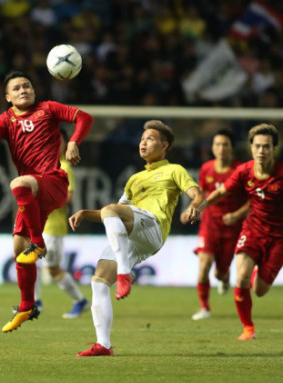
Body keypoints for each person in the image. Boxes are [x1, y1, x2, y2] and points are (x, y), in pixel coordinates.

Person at [69, 120, 204, 356]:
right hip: (132, 237)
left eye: (150, 138)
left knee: (111, 210)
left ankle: (124, 273)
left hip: (152, 225)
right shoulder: (135, 179)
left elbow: (197, 193)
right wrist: (85, 214)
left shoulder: (174, 170)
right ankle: (104, 344)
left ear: (164, 145)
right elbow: (114, 215)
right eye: (142, 138)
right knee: (98, 281)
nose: (143, 142)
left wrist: (194, 204)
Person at [0, 70, 93, 333]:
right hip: (32, 194)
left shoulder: (48, 109)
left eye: (27, 86)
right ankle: (27, 306)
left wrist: (74, 142)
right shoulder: (6, 119)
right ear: (7, 97)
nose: (23, 90)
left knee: (19, 183)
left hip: (53, 182)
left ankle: (38, 242)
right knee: (19, 252)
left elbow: (84, 118)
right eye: (17, 88)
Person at [201, 123, 283, 340]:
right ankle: (248, 328)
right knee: (241, 279)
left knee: (259, 290)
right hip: (253, 229)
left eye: (266, 147)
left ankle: (259, 275)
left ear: (273, 149)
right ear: (250, 148)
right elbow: (221, 192)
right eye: (257, 146)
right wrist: (199, 206)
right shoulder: (244, 171)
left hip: (278, 237)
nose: (261, 151)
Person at [187, 129, 249, 321]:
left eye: (225, 145)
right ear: (213, 148)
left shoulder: (241, 170)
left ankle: (224, 276)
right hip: (210, 223)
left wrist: (237, 214)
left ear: (231, 148)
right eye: (218, 144)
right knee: (204, 264)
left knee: (220, 273)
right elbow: (202, 194)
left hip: (232, 227)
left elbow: (253, 199)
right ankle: (204, 307)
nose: (221, 148)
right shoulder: (206, 168)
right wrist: (191, 208)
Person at [34, 130, 89, 319]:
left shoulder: (64, 167)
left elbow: (68, 196)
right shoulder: (40, 166)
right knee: (28, 261)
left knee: (53, 269)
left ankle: (79, 301)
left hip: (53, 226)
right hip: (38, 224)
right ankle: (35, 302)